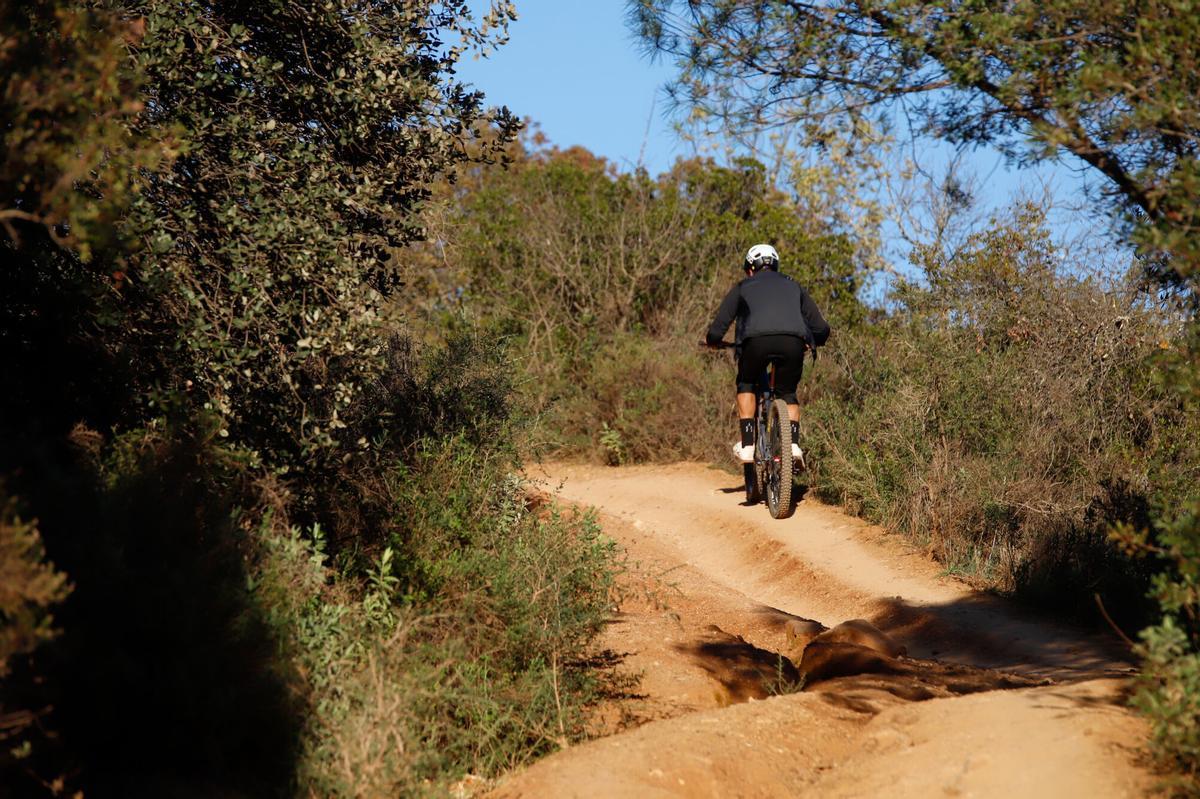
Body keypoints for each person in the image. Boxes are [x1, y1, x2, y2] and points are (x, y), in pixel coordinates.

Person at [705, 243, 830, 463]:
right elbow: (821, 328)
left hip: (755, 343)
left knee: (746, 383)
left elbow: (718, 328)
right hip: (792, 342)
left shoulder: (743, 286)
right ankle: (792, 445)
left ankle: (748, 446)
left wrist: (714, 342)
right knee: (788, 392)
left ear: (751, 269)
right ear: (775, 266)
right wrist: (813, 342)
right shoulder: (794, 286)